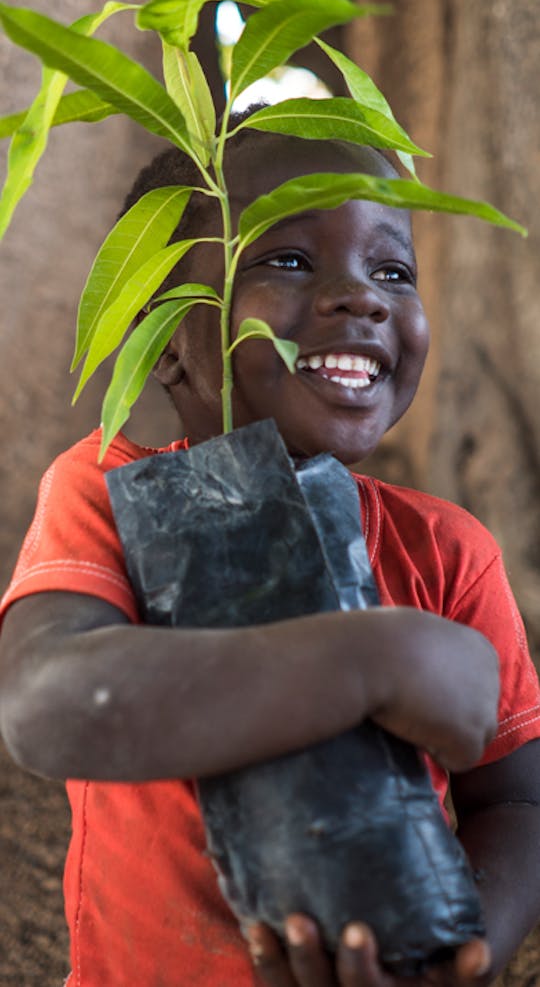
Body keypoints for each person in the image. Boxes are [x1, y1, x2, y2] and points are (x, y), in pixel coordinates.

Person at [0, 127, 539, 987]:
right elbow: (47, 703)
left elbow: (515, 799)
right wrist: (371, 662)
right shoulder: (106, 494)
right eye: (287, 259)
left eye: (392, 271)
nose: (359, 298)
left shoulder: (446, 550)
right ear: (168, 333)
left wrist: (461, 951)